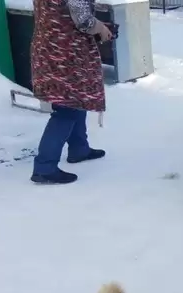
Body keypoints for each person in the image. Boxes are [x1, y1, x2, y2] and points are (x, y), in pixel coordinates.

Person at [29, 0, 115, 184]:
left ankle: (79, 149)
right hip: (68, 54)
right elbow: (83, 20)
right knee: (66, 109)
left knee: (76, 100)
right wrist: (101, 28)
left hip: (48, 46)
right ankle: (45, 167)